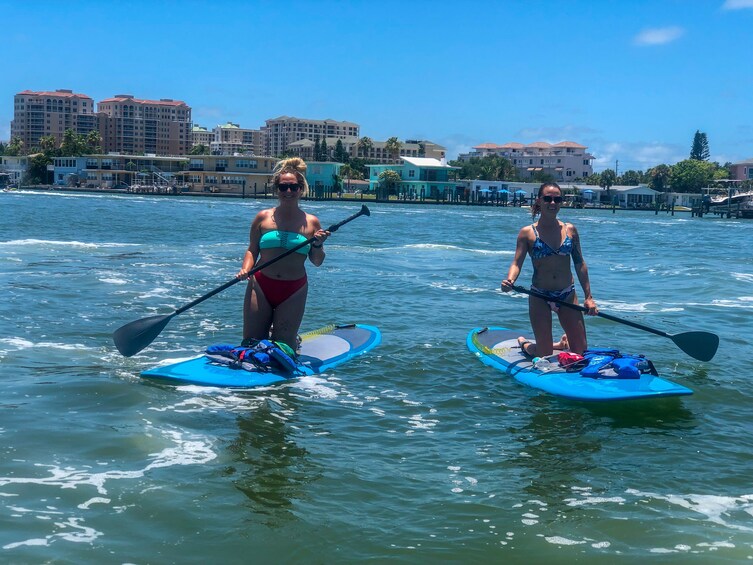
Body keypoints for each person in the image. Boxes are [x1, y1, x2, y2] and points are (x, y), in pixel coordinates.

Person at [237, 157, 330, 351]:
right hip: (261, 285)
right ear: (276, 190)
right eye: (283, 187)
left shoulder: (312, 223)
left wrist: (318, 245)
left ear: (301, 189)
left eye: (293, 187)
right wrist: (245, 269)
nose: (288, 192)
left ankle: (291, 341)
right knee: (251, 343)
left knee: (282, 347)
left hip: (293, 290)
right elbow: (252, 250)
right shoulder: (262, 217)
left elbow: (317, 261)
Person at [501, 182, 598, 356]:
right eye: (547, 199)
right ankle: (524, 343)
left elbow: (579, 263)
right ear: (539, 201)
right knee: (543, 353)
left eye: (557, 199)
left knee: (580, 352)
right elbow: (517, 263)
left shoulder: (570, 231)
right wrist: (510, 280)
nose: (552, 203)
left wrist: (589, 298)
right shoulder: (527, 233)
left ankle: (559, 345)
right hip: (540, 295)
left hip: (567, 294)